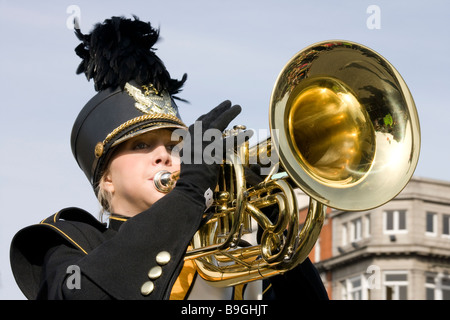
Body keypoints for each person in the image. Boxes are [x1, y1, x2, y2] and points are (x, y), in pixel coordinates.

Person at [10, 16, 328, 300]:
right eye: (140, 146)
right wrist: (191, 191)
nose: (164, 155)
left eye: (177, 147)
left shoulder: (233, 254)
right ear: (106, 178)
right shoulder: (68, 245)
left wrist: (273, 226)